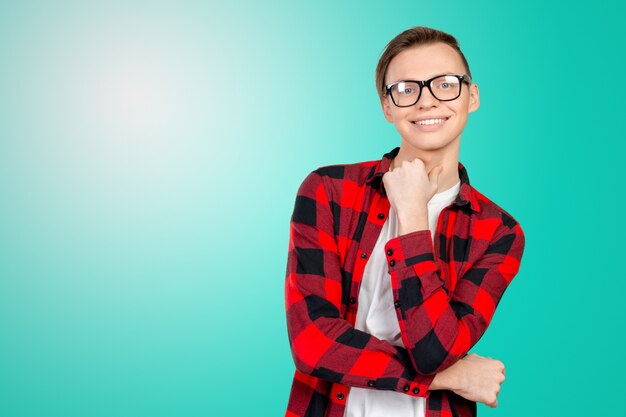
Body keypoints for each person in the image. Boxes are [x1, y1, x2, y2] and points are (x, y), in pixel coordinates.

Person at [283, 26, 525, 417]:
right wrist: (450, 377)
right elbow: (312, 342)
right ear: (387, 106)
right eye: (407, 89)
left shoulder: (497, 232)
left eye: (445, 84)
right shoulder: (328, 190)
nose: (427, 101)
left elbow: (436, 350)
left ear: (472, 96)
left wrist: (413, 218)